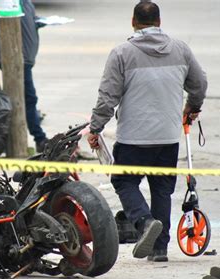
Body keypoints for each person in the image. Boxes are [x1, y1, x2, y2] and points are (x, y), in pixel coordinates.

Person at [87, 1, 207, 262]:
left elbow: (108, 98)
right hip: (167, 137)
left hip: (133, 139)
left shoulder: (121, 53)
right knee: (162, 189)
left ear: (133, 21)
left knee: (124, 181)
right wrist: (192, 106)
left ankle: (143, 223)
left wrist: (95, 128)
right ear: (159, 22)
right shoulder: (181, 50)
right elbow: (199, 83)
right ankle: (160, 249)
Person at [0, 0, 48, 153]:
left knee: (24, 100)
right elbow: (3, 22)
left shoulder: (27, 3)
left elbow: (28, 21)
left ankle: (36, 138)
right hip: (16, 58)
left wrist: (38, 22)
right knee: (28, 99)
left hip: (24, 58)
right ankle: (39, 138)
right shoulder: (10, 2)